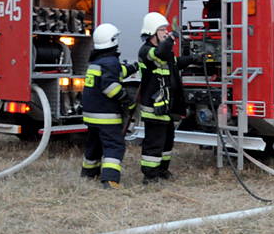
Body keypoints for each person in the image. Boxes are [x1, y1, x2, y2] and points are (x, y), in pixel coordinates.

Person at [137, 12, 194, 184]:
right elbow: (161, 54)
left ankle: (162, 170)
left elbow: (173, 62)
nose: (165, 33)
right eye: (162, 30)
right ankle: (150, 175)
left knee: (167, 141)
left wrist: (194, 59)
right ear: (152, 32)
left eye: (166, 30)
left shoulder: (163, 51)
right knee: (154, 143)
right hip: (153, 108)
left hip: (166, 106)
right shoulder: (147, 50)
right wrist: (173, 37)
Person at [81, 23, 138, 189]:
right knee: (114, 145)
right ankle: (110, 180)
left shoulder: (97, 61)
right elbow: (109, 86)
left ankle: (88, 173)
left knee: (94, 144)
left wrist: (132, 67)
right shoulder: (111, 61)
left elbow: (115, 72)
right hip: (106, 114)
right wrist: (126, 99)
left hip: (91, 114)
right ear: (113, 40)